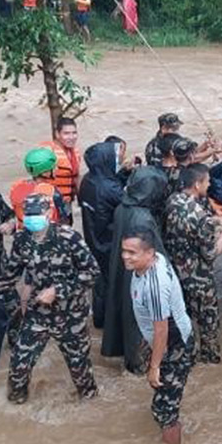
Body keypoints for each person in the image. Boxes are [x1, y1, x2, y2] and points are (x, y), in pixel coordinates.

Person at [0, 194, 100, 404]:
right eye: (28, 215)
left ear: (49, 213)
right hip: (37, 315)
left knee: (82, 374)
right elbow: (6, 280)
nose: (32, 218)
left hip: (71, 317)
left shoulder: (69, 238)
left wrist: (57, 290)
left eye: (37, 214)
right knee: (18, 367)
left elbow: (93, 273)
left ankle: (91, 412)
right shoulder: (22, 240)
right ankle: (16, 410)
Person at [121, 228, 194, 444]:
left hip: (174, 343)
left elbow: (161, 329)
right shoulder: (154, 260)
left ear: (150, 254)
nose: (125, 256)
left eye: (132, 252)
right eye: (124, 250)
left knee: (164, 411)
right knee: (163, 393)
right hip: (164, 337)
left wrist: (155, 366)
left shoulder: (155, 285)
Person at [165, 163, 222, 364]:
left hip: (176, 273)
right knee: (208, 323)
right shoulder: (200, 217)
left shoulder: (173, 200)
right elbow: (212, 254)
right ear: (198, 184)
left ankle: (186, 356)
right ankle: (210, 359)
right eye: (207, 181)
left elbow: (190, 225)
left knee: (184, 318)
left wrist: (215, 220)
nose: (209, 185)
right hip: (199, 278)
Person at [102, 167, 169, 373]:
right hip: (139, 273)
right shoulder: (143, 218)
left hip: (123, 267)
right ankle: (141, 363)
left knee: (125, 309)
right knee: (140, 318)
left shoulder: (123, 206)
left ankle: (129, 357)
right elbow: (156, 255)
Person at [79, 141, 125, 328]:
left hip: (93, 237)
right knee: (114, 282)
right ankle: (113, 323)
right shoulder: (109, 187)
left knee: (100, 281)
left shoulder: (88, 180)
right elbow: (127, 201)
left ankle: (100, 319)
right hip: (109, 240)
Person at [9, 147, 70, 223]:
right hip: (46, 232)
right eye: (53, 168)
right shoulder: (51, 191)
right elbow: (63, 217)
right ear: (45, 173)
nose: (56, 169)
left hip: (23, 232)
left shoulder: (16, 187)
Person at [40, 117, 82, 226]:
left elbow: (76, 177)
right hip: (49, 204)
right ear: (57, 134)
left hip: (67, 203)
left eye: (74, 133)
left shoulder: (75, 152)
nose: (71, 137)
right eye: (66, 133)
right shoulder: (48, 151)